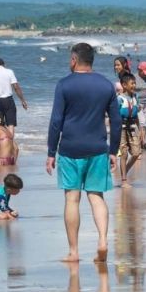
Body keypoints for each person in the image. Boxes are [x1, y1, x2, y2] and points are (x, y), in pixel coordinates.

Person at [46, 43, 120, 263]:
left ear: (73, 60)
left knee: (72, 199)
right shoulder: (106, 85)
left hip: (70, 149)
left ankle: (74, 252)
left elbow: (56, 121)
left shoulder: (64, 85)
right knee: (97, 196)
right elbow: (116, 121)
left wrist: (51, 152)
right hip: (98, 148)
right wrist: (113, 150)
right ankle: (103, 241)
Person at [0, 58, 28, 137]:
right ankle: (10, 143)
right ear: (4, 65)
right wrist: (23, 100)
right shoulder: (9, 72)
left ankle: (2, 143)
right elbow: (16, 87)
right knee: (11, 123)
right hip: (8, 100)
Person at [116, 73, 142, 187]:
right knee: (124, 153)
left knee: (136, 153)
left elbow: (136, 116)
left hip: (132, 128)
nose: (134, 85)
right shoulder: (119, 99)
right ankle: (124, 180)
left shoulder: (135, 98)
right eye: (132, 83)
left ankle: (124, 171)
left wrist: (140, 129)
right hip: (121, 128)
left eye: (135, 83)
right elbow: (114, 115)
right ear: (124, 85)